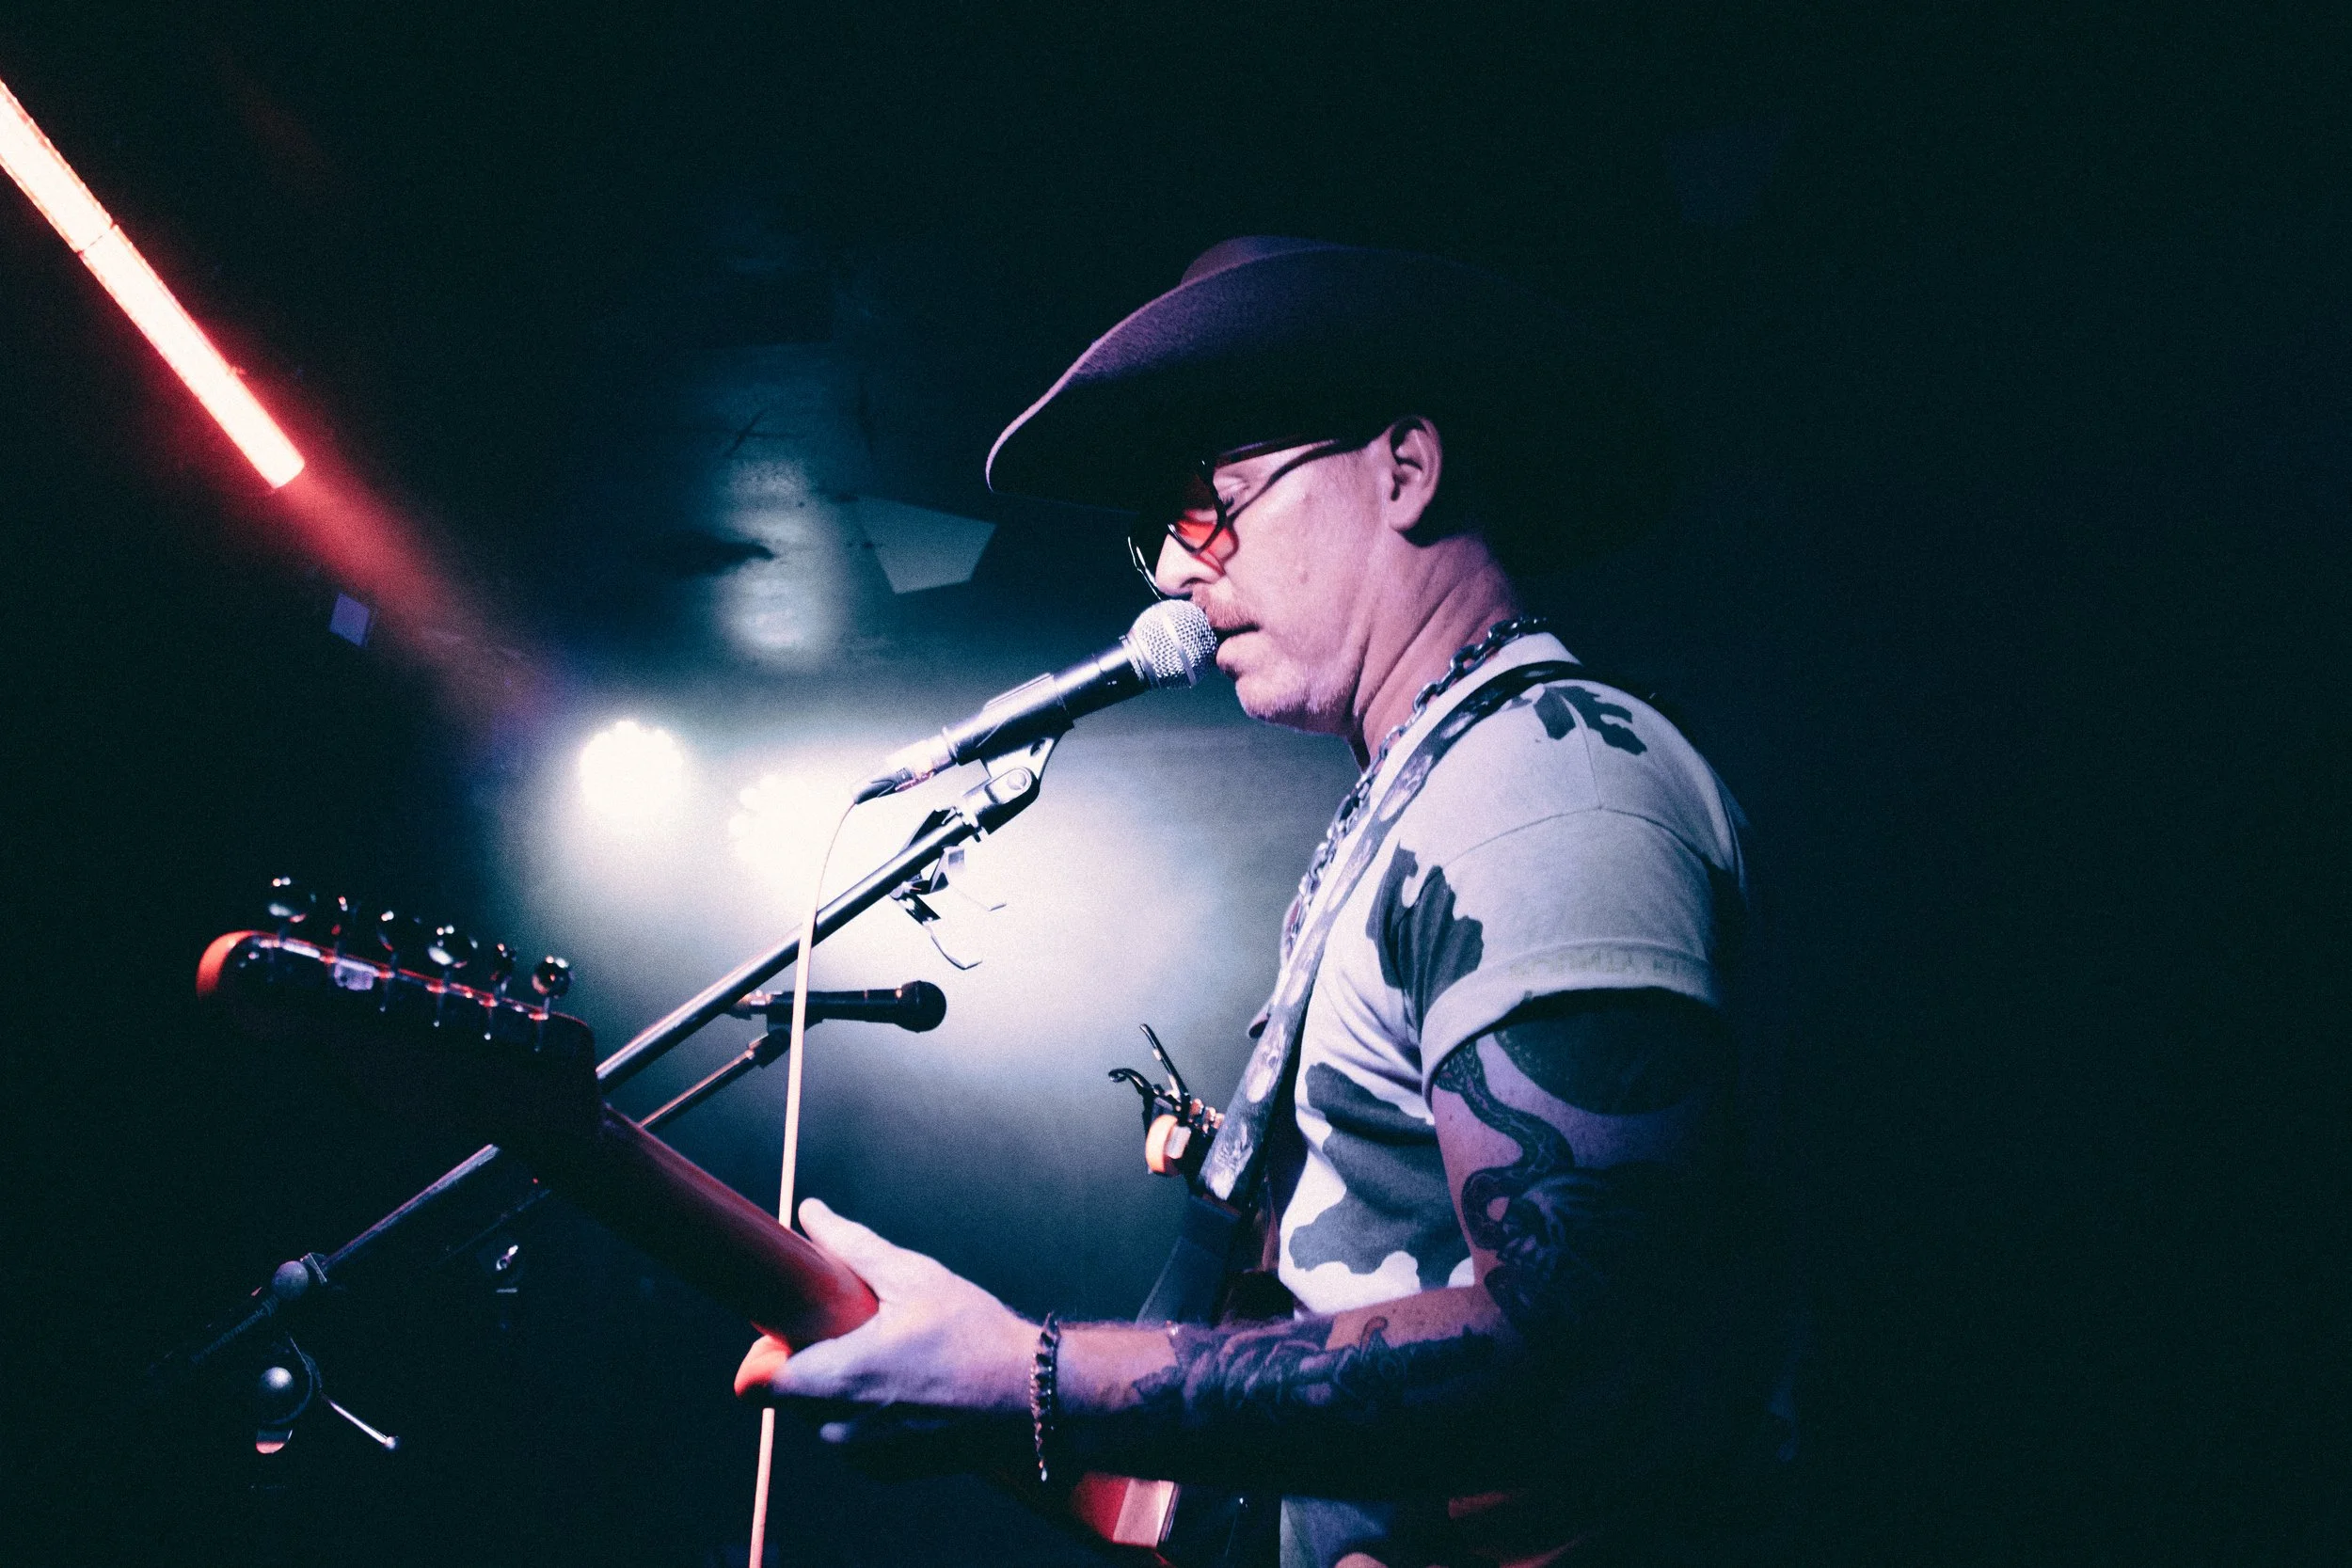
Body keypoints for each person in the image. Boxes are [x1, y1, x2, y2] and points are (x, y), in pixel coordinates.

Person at [735, 237, 1788, 1568]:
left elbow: (1596, 1343)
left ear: (1405, 467)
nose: (1176, 571)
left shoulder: (1543, 786)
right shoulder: (1432, 795)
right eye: (1163, 529)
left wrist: (1030, 1372)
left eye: (1211, 503)